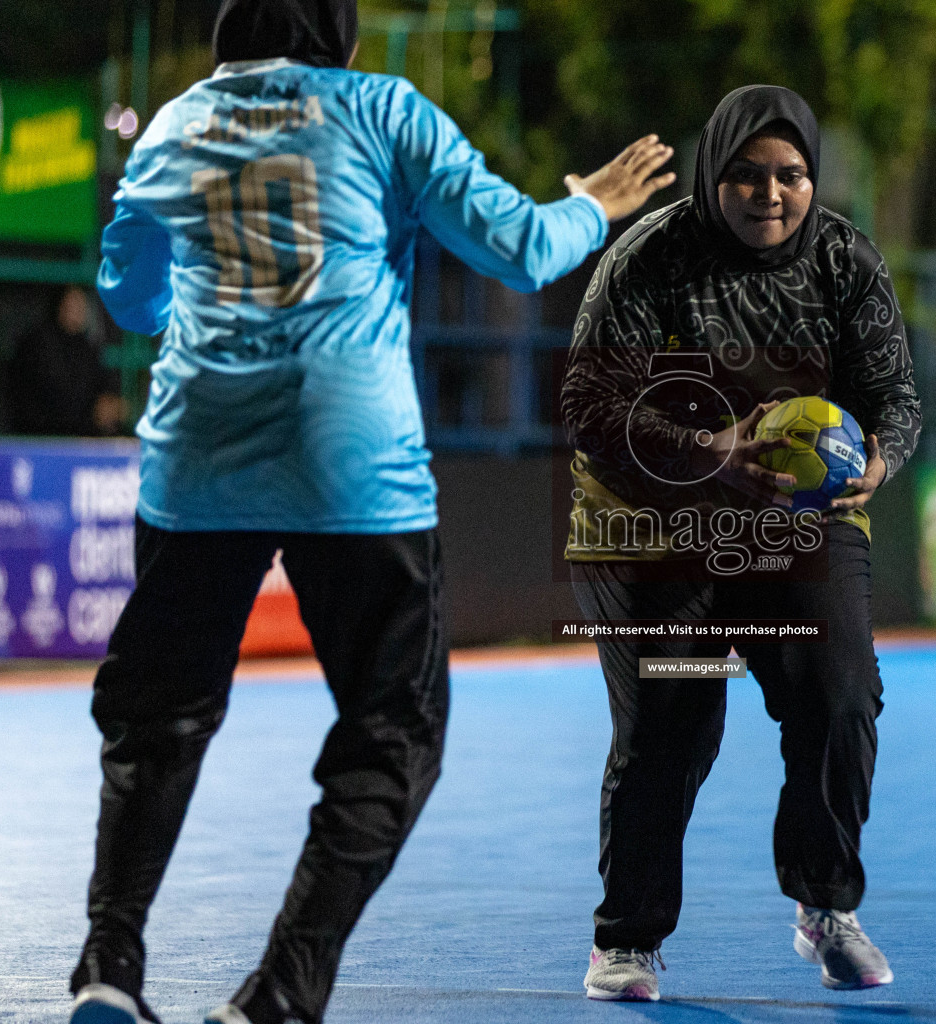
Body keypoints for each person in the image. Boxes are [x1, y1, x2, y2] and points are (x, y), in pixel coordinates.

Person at [69, 2, 674, 1023]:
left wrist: (218, 319)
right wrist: (589, 203)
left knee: (156, 719)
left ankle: (108, 966)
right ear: (337, 34)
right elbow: (521, 250)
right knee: (394, 728)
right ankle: (279, 993)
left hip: (197, 457)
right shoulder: (383, 110)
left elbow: (129, 298)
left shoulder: (172, 122)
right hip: (347, 458)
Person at [560, 85, 920, 1001]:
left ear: (812, 177)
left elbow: (897, 400)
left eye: (790, 175)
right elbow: (588, 409)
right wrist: (707, 455)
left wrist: (880, 458)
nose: (771, 194)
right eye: (746, 176)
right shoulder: (649, 258)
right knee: (676, 717)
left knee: (840, 693)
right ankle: (626, 939)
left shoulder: (844, 259)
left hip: (797, 523)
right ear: (712, 176)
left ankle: (825, 906)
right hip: (651, 528)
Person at [6, 285, 127, 436]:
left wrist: (110, 406)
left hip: (85, 432)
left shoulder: (86, 347)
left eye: (81, 305)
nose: (77, 310)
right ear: (59, 305)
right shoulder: (39, 344)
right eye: (71, 303)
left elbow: (103, 387)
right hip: (44, 434)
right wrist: (90, 415)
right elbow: (51, 399)